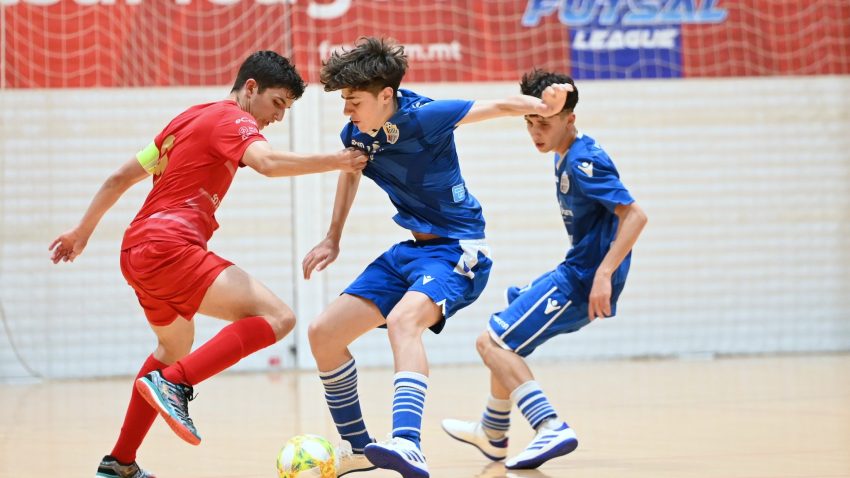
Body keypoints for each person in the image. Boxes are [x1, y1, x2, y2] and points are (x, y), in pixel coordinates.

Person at [49, 50, 368, 478]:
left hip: (138, 252)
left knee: (171, 348)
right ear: (250, 88)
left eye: (287, 109)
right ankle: (176, 383)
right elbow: (268, 164)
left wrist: (82, 231)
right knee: (278, 317)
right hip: (170, 247)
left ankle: (120, 463)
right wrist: (337, 160)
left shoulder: (186, 120)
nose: (278, 117)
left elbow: (118, 178)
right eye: (277, 103)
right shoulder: (231, 119)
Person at [300, 38, 572, 478]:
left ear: (385, 96)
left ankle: (408, 443)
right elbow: (351, 172)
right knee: (322, 333)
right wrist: (333, 237)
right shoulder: (355, 133)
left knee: (405, 322)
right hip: (412, 252)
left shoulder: (426, 117)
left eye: (353, 102)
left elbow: (500, 105)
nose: (346, 111)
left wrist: (543, 104)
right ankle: (360, 449)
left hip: (459, 249)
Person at [440, 69, 648, 470]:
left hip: (584, 278)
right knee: (506, 336)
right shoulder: (565, 153)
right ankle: (493, 433)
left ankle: (549, 425)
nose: (536, 132)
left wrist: (603, 275)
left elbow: (635, 216)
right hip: (578, 269)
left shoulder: (584, 161)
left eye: (546, 123)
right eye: (530, 122)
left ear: (570, 119)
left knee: (491, 343)